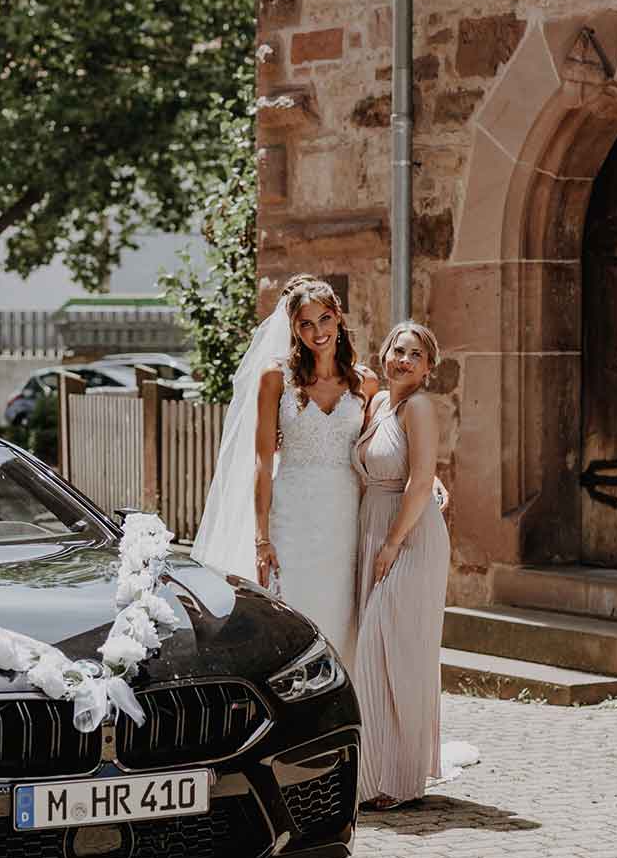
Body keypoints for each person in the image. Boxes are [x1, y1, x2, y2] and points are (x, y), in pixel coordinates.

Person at [191, 277, 374, 666]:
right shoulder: (276, 377)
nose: (318, 332)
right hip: (292, 514)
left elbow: (385, 445)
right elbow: (262, 459)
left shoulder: (366, 382)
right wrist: (261, 537)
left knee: (342, 614)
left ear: (338, 318)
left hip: (345, 518)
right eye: (305, 324)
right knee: (293, 611)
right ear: (293, 329)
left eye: (324, 319)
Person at [350, 320, 452, 809]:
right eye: (398, 350)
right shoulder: (377, 403)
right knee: (377, 651)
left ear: (428, 367)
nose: (403, 360)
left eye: (415, 355)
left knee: (392, 649)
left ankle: (402, 777)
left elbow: (421, 479)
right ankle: (374, 771)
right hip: (375, 527)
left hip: (409, 537)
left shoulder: (419, 408)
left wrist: (392, 543)